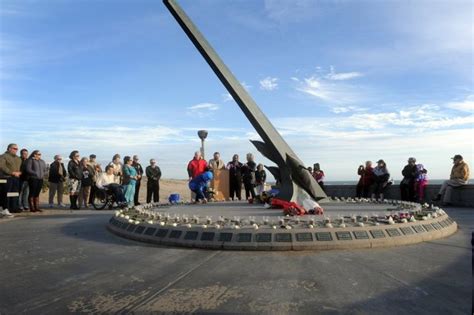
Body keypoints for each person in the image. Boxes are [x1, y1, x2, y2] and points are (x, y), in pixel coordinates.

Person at [0, 144, 22, 216]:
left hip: (16, 178)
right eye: (14, 148)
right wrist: (12, 172)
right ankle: (5, 209)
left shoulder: (18, 158)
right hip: (6, 177)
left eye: (17, 149)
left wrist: (19, 172)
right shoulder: (3, 156)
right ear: (9, 148)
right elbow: (2, 166)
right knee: (6, 194)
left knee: (14, 193)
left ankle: (12, 208)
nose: (16, 150)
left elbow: (19, 167)